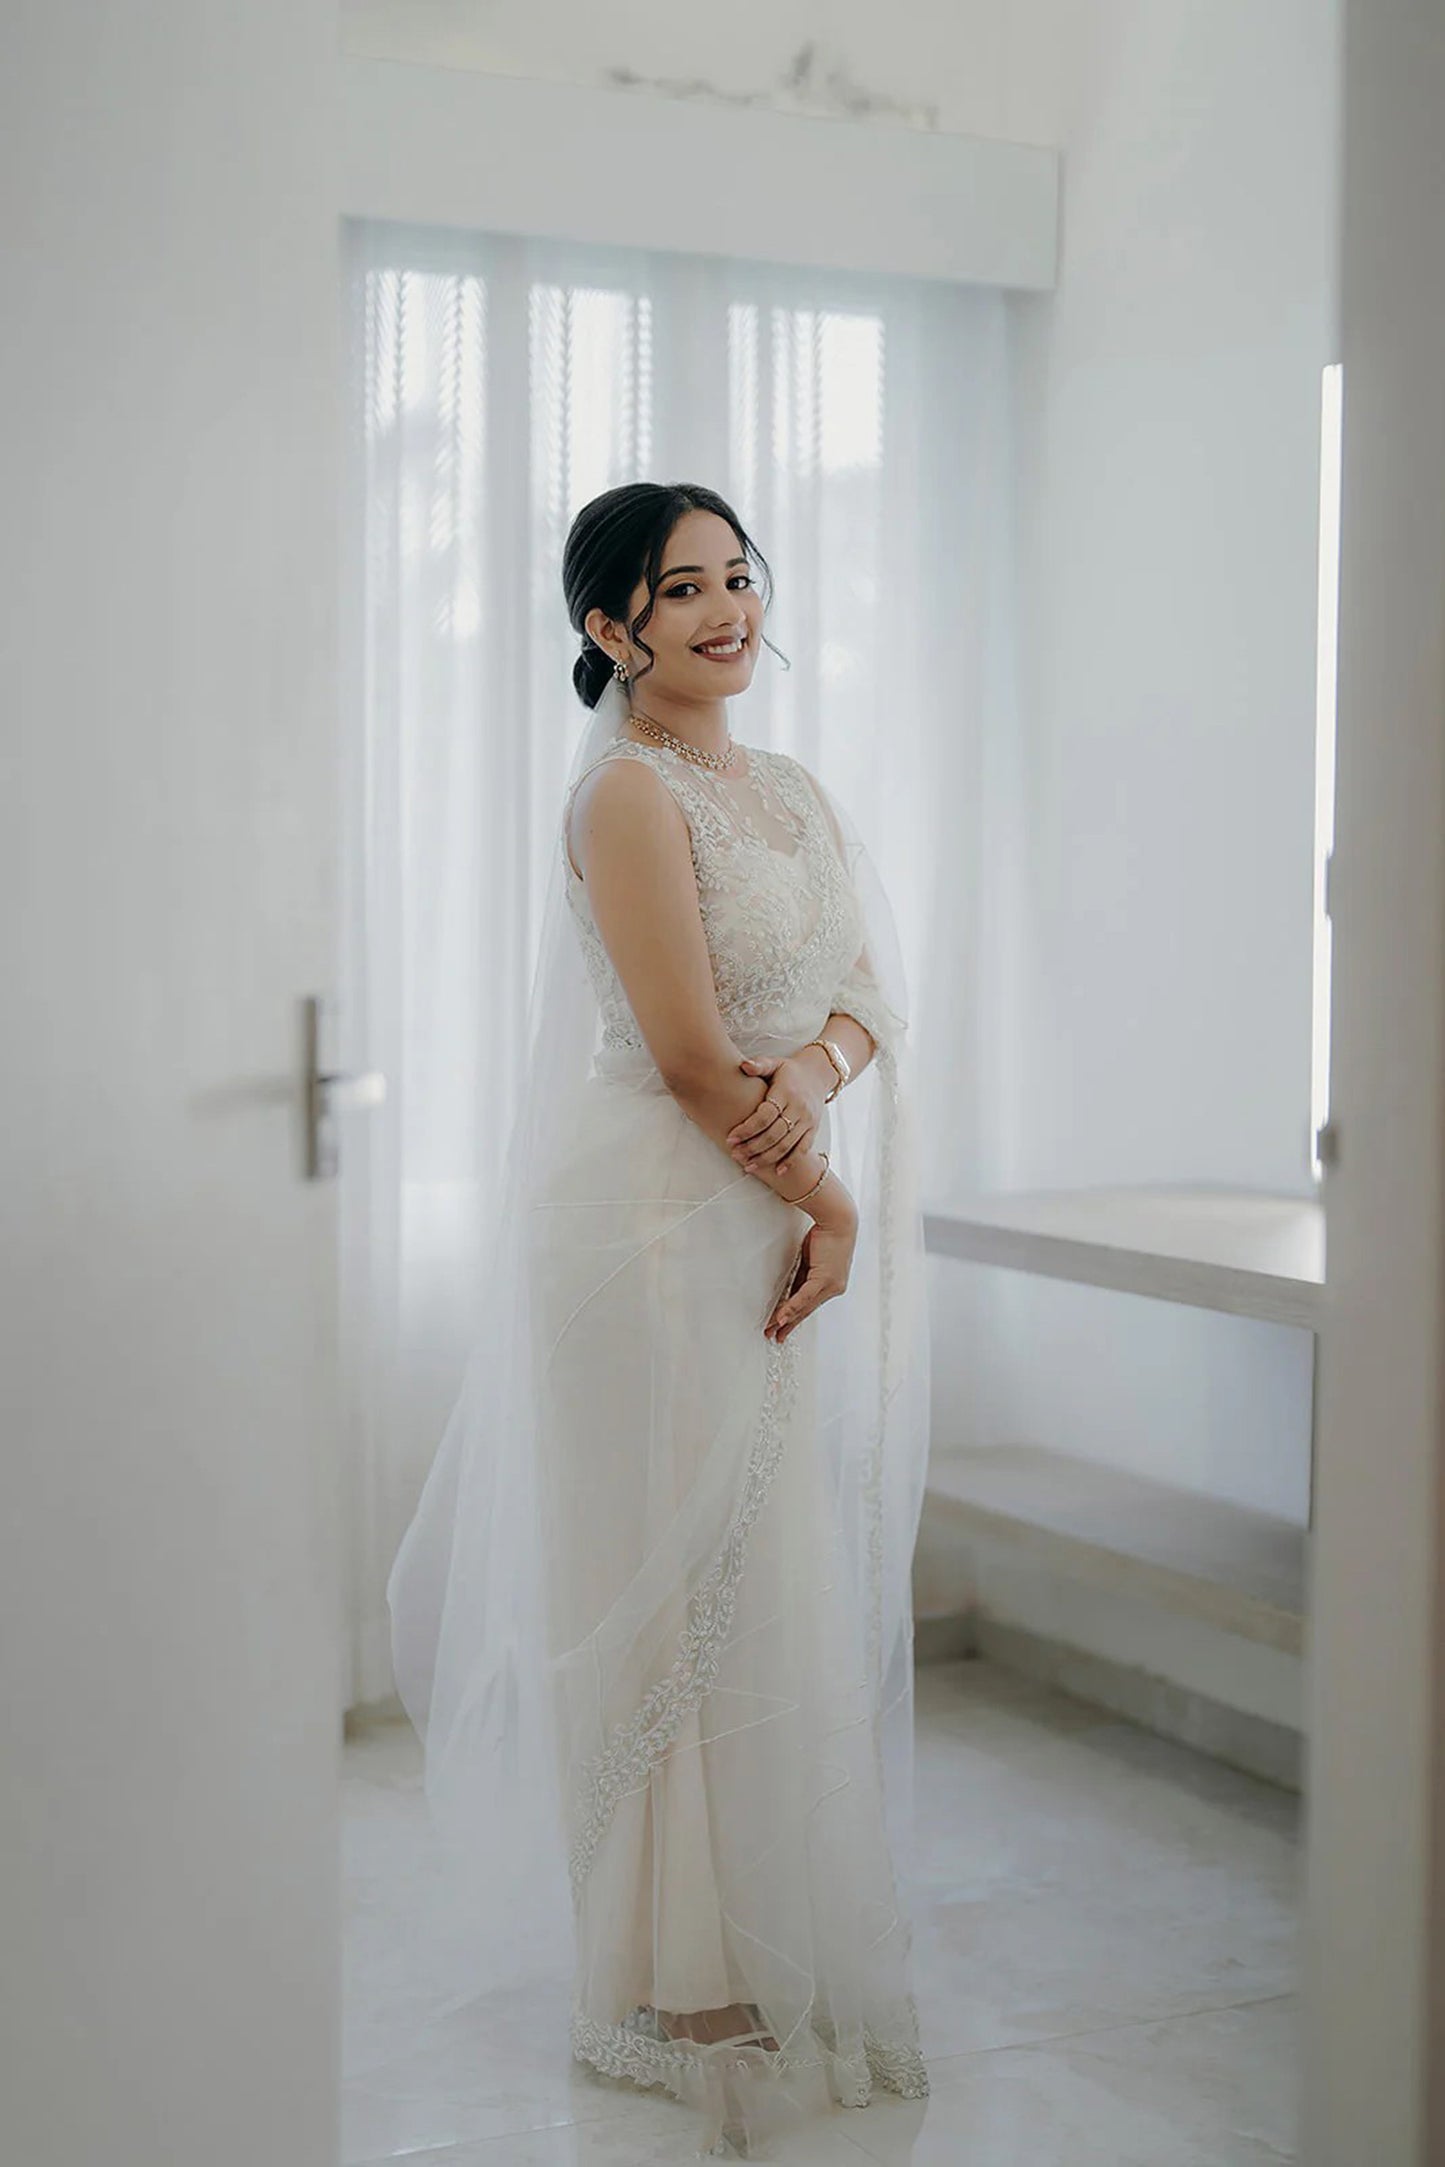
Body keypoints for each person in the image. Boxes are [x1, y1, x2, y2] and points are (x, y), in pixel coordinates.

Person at [387, 481, 932, 2159]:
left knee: (770, 1568)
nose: (725, 611)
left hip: (753, 1197)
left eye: (739, 579)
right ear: (607, 628)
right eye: (678, 589)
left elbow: (862, 998)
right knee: (673, 1575)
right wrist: (828, 1200)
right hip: (641, 1220)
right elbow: (687, 1055)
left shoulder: (787, 788)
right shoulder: (626, 795)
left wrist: (818, 1078)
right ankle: (675, 1968)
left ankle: (761, 1926)